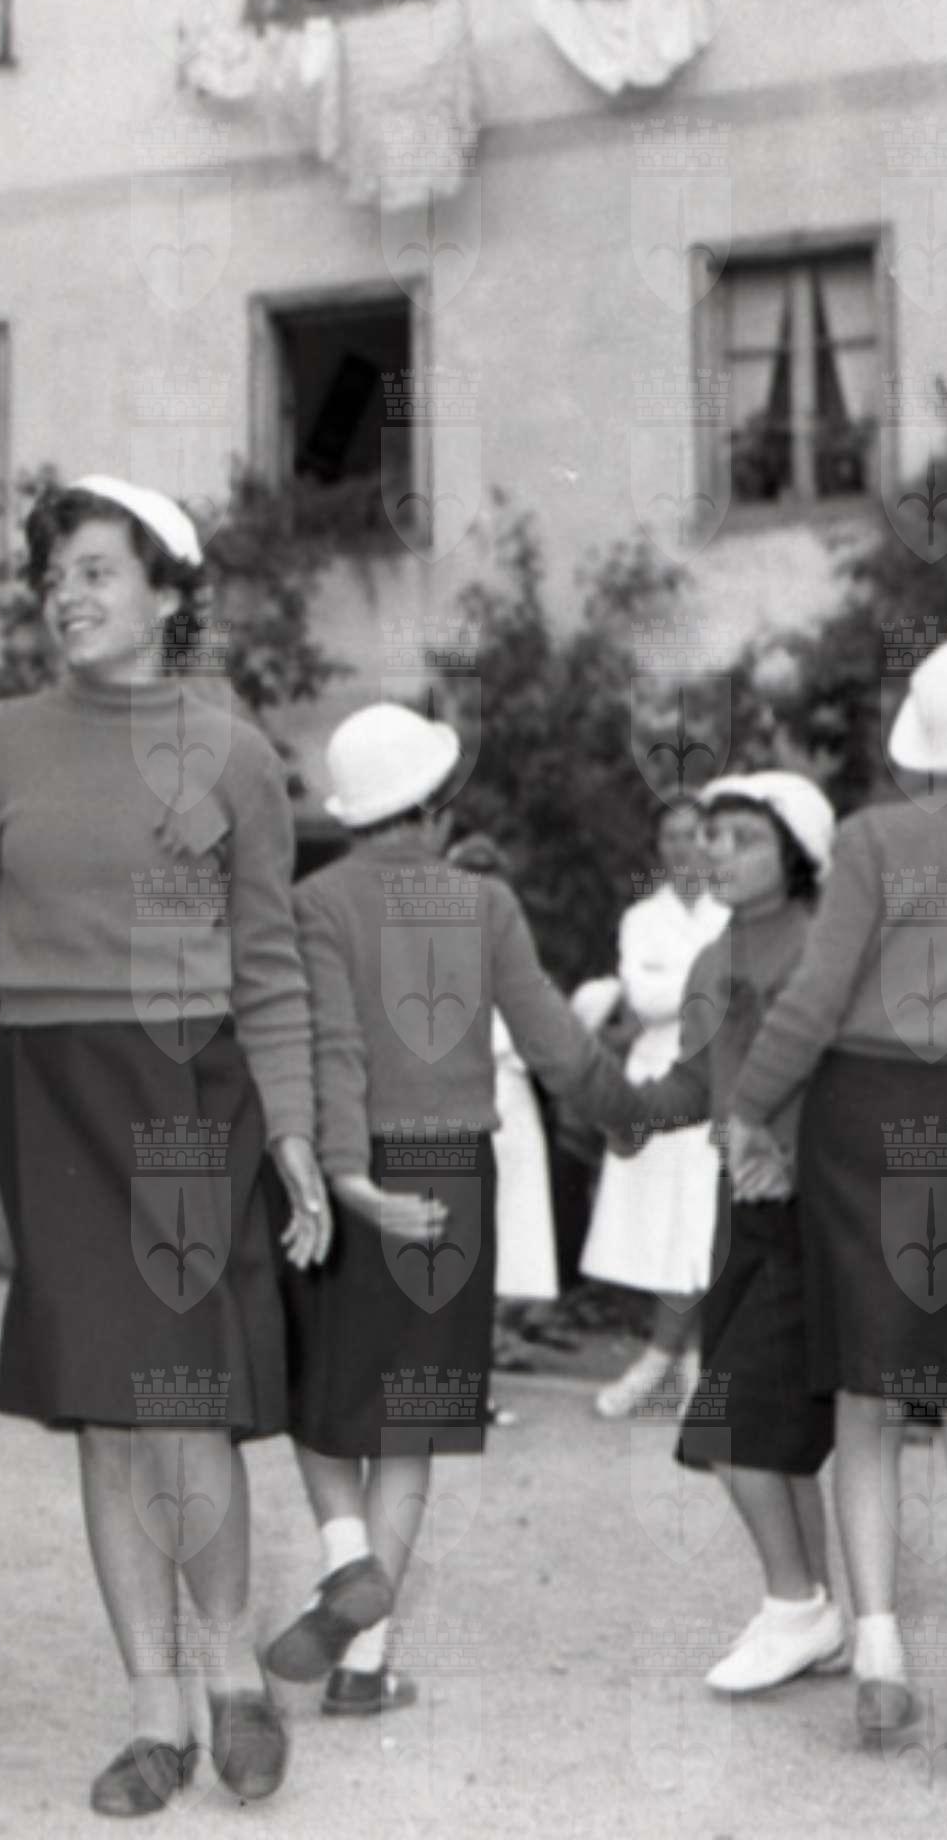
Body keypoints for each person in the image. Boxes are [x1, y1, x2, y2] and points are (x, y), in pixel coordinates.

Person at [0, 476, 333, 1816]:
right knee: (105, 1412)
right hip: (48, 1093)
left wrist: (295, 1132)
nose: (66, 596)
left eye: (95, 571)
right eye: (53, 577)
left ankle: (231, 1675)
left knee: (184, 1398)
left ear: (165, 593)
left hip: (185, 1091)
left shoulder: (232, 754)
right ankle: (155, 1714)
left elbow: (268, 963)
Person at [265, 703, 626, 1716]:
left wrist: (347, 1176)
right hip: (453, 1172)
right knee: (409, 1422)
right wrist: (630, 1112)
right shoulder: (485, 902)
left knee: (317, 1396)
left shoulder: (314, 901)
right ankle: (363, 1668)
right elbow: (553, 1042)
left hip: (347, 1175)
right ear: (431, 808)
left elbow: (333, 1048)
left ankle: (346, 1558)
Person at [723, 636, 947, 1773]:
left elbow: (812, 999)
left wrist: (749, 1109)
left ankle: (876, 1661)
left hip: (857, 1114)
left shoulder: (868, 838)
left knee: (866, 1389)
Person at [592, 772, 848, 1693]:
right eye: (712, 835)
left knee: (731, 1426)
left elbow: (855, 1086)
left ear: (799, 853)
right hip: (736, 1210)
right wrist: (613, 1097)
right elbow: (697, 1087)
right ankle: (817, 1613)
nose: (717, 852)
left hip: (815, 1213)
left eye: (745, 838)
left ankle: (795, 1610)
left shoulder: (827, 943)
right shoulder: (711, 959)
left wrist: (797, 1159)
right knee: (775, 1436)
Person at [581, 799, 729, 1416]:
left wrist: (686, 986)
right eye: (670, 836)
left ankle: (669, 1360)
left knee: (704, 1228)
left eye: (693, 835)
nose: (682, 847)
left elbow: (735, 993)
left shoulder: (732, 911)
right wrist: (709, 981)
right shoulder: (642, 918)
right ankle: (683, 1360)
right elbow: (643, 998)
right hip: (658, 1080)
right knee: (664, 1231)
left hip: (718, 1076)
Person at [445, 833, 558, 1390]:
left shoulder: (518, 955)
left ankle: (491, 1339)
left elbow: (538, 1029)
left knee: (511, 1221)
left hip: (508, 1095)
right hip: (450, 1095)